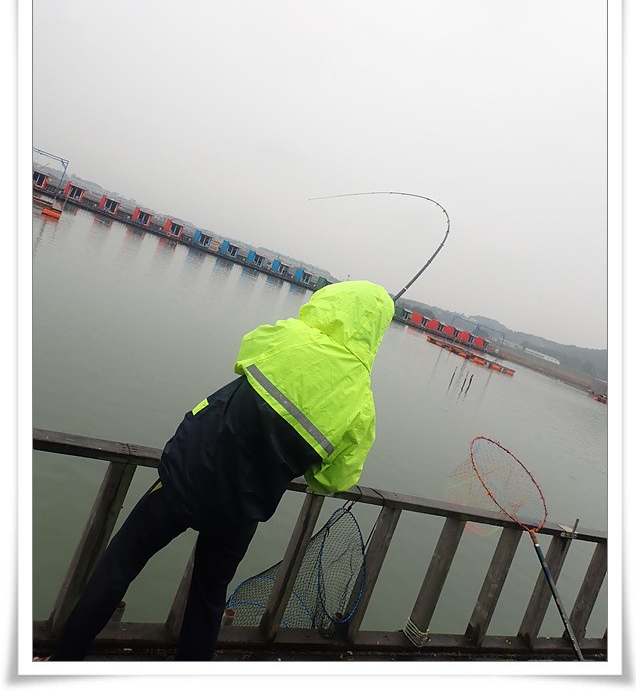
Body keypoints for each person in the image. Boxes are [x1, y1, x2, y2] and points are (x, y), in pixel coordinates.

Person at [42, 280, 394, 661]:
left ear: (336, 302)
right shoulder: (362, 406)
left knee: (122, 562)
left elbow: (244, 354)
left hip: (189, 472)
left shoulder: (293, 337)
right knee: (208, 598)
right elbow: (332, 480)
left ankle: (62, 663)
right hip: (242, 508)